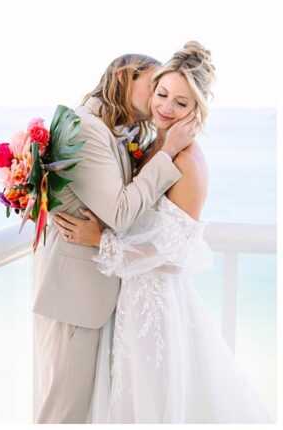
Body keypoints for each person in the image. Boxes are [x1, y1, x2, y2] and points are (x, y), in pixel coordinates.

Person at [55, 42, 272, 423]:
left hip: (153, 306)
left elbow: (177, 254)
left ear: (196, 113)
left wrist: (100, 242)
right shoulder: (156, 143)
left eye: (181, 103)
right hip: (128, 299)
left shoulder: (188, 162)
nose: (166, 108)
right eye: (162, 94)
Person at [32, 53, 199, 423]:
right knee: (63, 414)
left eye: (173, 96)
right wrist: (168, 151)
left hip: (99, 295)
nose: (159, 97)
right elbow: (119, 213)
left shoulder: (115, 128)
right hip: (75, 296)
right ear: (124, 77)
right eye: (154, 86)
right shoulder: (87, 127)